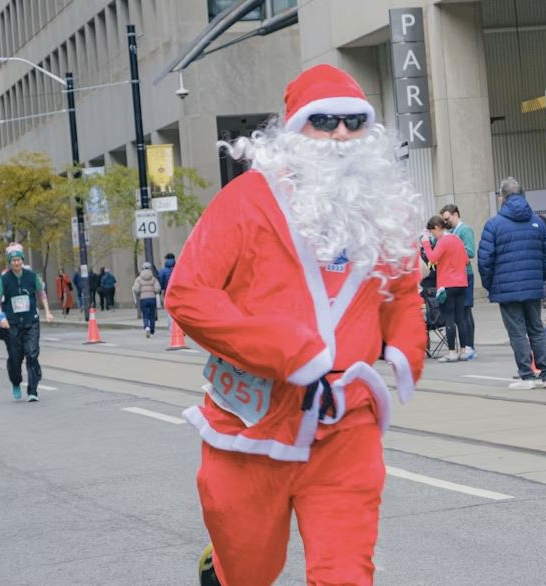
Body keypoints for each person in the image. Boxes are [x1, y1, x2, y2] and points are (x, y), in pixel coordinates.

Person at [165, 64, 425, 586]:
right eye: (323, 121)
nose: (341, 135)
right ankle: (221, 567)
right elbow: (188, 295)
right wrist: (282, 347)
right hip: (252, 425)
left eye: (354, 122)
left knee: (346, 574)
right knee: (249, 568)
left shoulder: (384, 209)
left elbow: (402, 289)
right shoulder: (245, 200)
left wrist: (404, 345)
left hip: (346, 424)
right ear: (294, 131)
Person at [478, 177, 546, 390]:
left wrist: (491, 284)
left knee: (517, 332)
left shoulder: (494, 224)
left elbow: (485, 260)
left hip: (506, 288)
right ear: (523, 196)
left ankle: (526, 375)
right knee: (536, 329)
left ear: (502, 198)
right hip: (533, 286)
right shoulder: (536, 222)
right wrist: (538, 277)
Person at [0, 243, 53, 402]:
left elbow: (41, 294)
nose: (16, 263)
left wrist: (47, 312)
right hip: (12, 325)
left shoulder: (32, 276)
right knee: (15, 359)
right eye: (13, 261)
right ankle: (16, 382)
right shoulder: (3, 280)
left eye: (18, 260)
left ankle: (33, 390)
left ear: (22, 260)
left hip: (31, 321)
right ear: (9, 262)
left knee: (32, 354)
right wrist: (1, 318)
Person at [421, 215, 472, 362]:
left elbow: (431, 257)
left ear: (437, 228)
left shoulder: (443, 240)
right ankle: (463, 350)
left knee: (449, 317)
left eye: (432, 232)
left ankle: (451, 352)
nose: (432, 236)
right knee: (460, 318)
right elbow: (466, 260)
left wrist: (425, 242)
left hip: (447, 284)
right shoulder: (457, 239)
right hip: (462, 283)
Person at [439, 204, 476, 358]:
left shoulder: (464, 230)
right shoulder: (451, 232)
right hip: (455, 275)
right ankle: (464, 346)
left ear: (455, 215)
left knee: (465, 311)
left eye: (447, 219)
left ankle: (469, 347)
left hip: (464, 274)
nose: (445, 223)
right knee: (459, 313)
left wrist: (453, 251)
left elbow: (471, 251)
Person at [132, 262, 159, 337]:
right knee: (152, 315)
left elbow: (136, 290)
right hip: (152, 298)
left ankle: (147, 327)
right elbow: (157, 289)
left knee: (145, 314)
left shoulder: (138, 279)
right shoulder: (153, 278)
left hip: (143, 299)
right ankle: (152, 330)